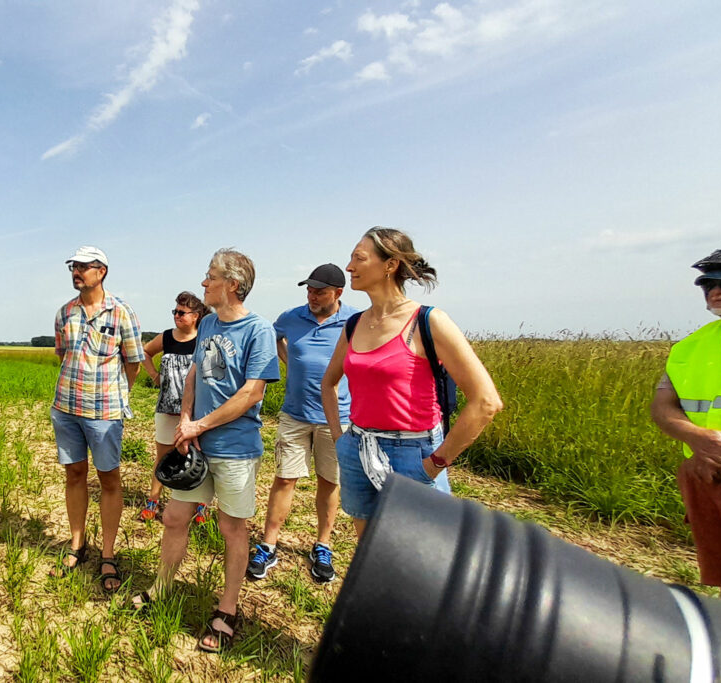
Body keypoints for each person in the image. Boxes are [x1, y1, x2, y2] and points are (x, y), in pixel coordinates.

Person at [132, 248, 280, 653]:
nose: (203, 283)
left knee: (232, 528)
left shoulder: (258, 330)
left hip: (235, 447)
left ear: (232, 284)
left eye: (210, 276)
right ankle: (162, 586)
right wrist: (184, 418)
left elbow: (252, 393)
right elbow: (195, 371)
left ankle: (226, 610)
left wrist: (201, 424)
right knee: (176, 515)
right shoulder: (210, 323)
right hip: (195, 440)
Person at [321, 227, 502, 539]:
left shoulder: (428, 321)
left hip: (413, 454)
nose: (349, 267)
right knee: (369, 551)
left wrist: (434, 465)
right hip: (358, 448)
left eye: (359, 258)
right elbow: (329, 383)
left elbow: (486, 402)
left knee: (418, 558)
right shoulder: (354, 325)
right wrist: (341, 440)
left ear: (390, 265)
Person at [247, 264, 360, 584]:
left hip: (336, 419)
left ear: (338, 293)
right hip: (294, 415)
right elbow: (274, 339)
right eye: (309, 289)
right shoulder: (290, 318)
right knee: (284, 479)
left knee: (329, 482)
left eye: (319, 291)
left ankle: (323, 545)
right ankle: (268, 545)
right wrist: (289, 360)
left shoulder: (355, 321)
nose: (311, 296)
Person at [651, 243, 721, 608]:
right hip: (707, 483)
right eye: (707, 284)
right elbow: (663, 407)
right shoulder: (689, 348)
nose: (715, 292)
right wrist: (697, 439)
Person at [52, 245, 144, 592]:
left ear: (101, 271)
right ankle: (77, 544)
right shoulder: (65, 313)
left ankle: (108, 553)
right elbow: (63, 354)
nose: (76, 272)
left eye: (83, 267)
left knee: (109, 480)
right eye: (73, 267)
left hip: (104, 412)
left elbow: (132, 362)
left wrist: (119, 396)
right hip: (66, 407)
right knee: (74, 474)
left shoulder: (121, 313)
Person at [139, 291, 210, 522]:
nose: (177, 316)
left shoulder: (204, 339)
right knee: (163, 457)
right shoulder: (167, 337)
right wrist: (154, 376)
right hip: (167, 409)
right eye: (175, 312)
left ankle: (201, 504)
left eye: (182, 312)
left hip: (196, 412)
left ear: (196, 316)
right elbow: (146, 353)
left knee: (199, 456)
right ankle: (153, 500)